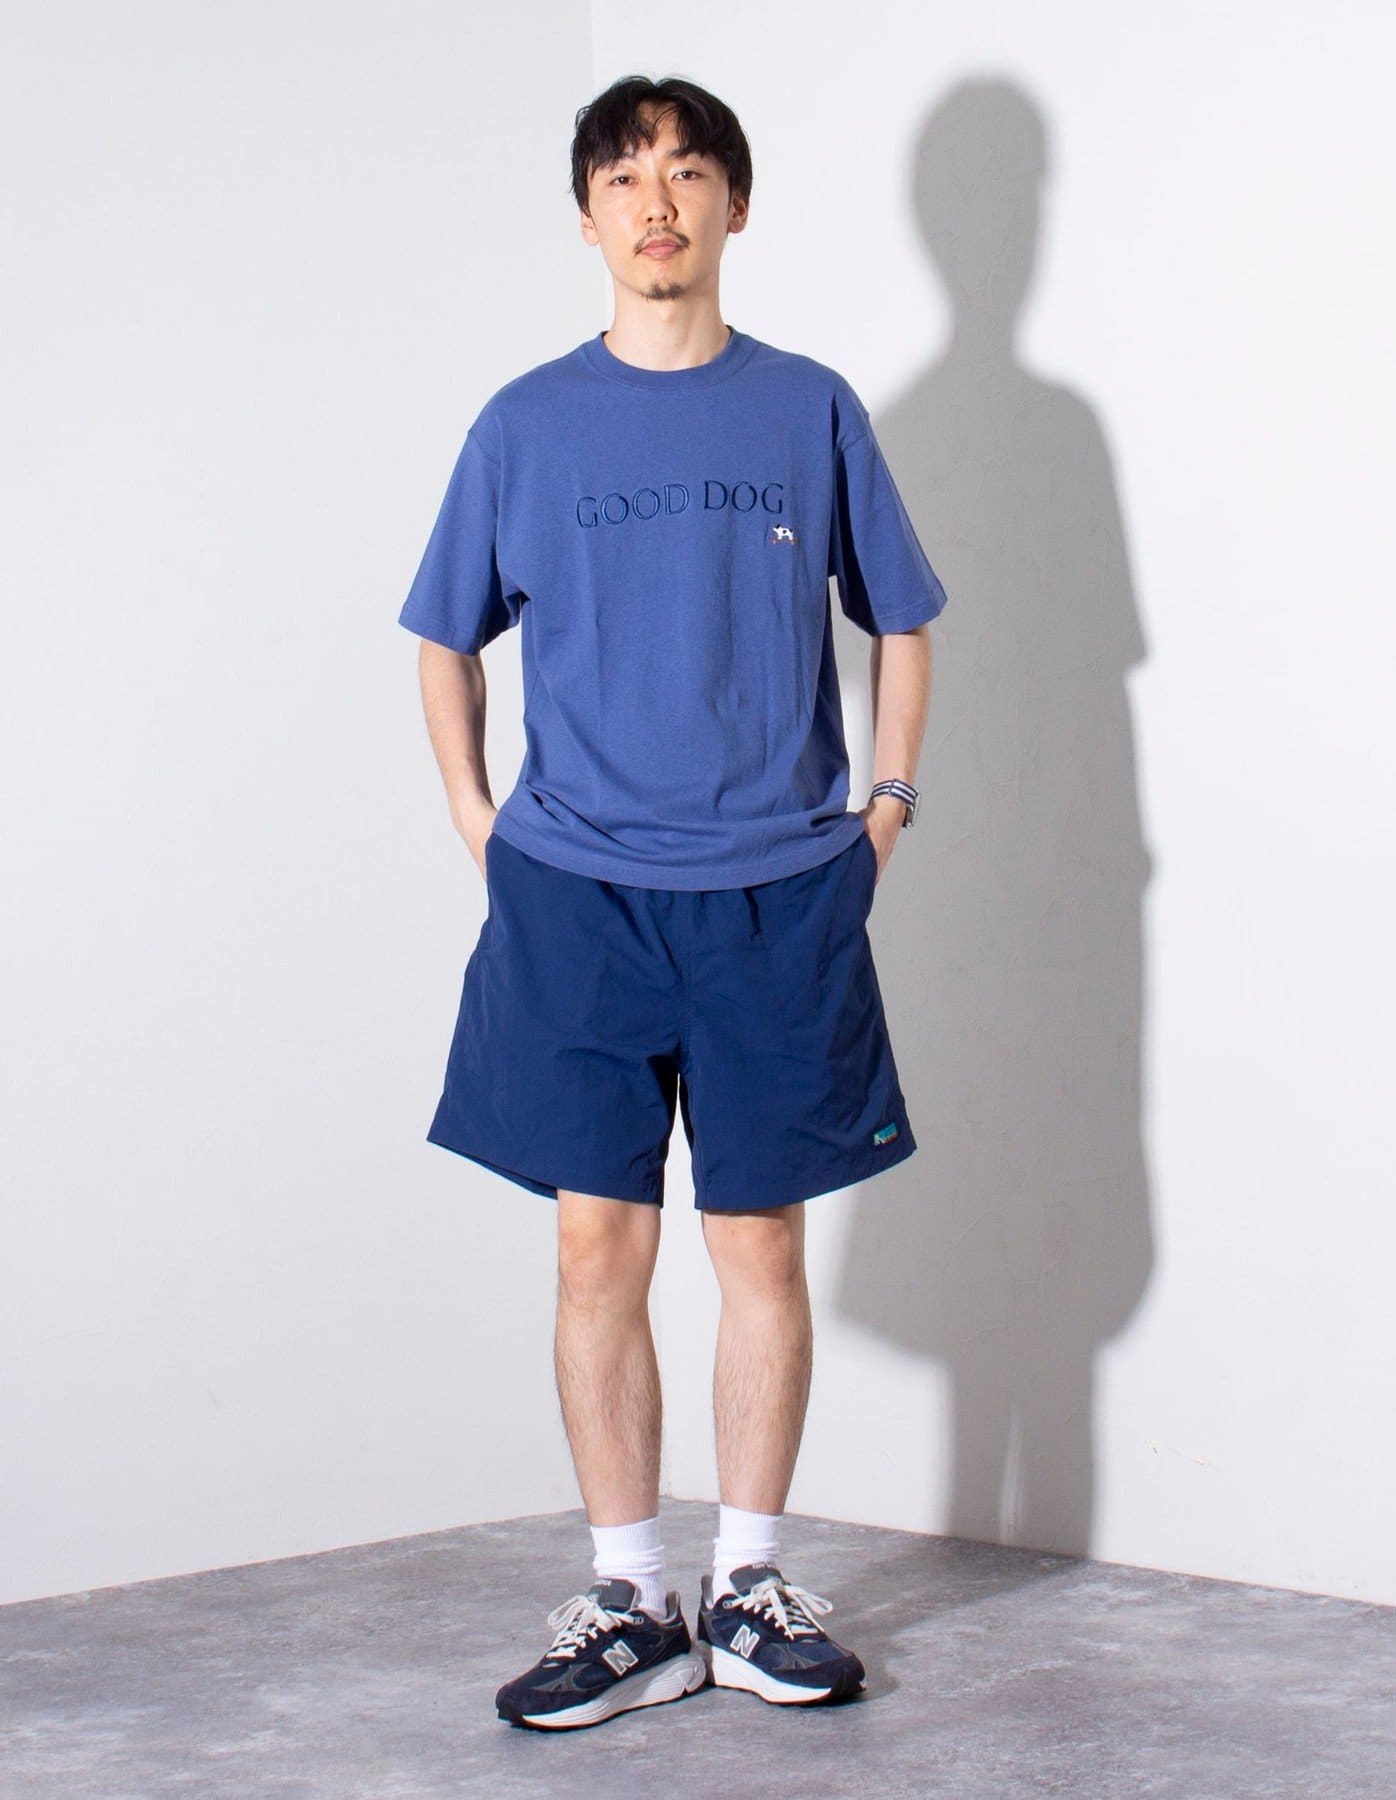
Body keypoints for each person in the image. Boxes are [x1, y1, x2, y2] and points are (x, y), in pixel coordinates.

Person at [397, 73, 947, 1732]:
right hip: (578, 896)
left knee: (758, 1238)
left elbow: (903, 617)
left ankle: (752, 1584)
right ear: (587, 218)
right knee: (596, 1243)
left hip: (778, 891)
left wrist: (886, 811)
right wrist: (481, 823)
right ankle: (633, 1595)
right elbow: (442, 635)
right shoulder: (525, 423)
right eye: (626, 177)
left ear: (735, 207)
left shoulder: (809, 407)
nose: (658, 202)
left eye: (689, 172)